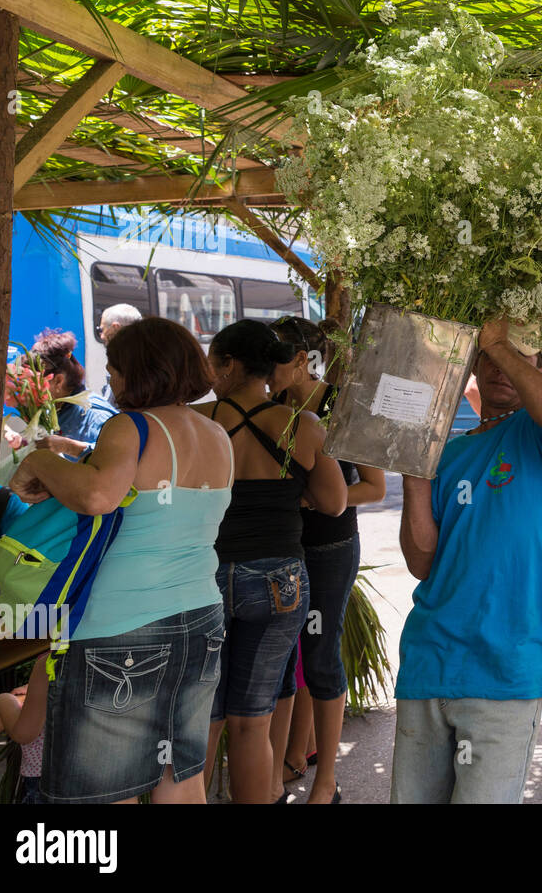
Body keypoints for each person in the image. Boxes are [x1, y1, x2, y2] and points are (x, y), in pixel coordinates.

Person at [7, 317, 235, 803]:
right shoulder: (216, 434)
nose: (110, 380)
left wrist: (41, 461)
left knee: (108, 789)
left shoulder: (130, 426)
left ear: (140, 371)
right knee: (179, 775)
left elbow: (97, 496)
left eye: (115, 369)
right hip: (201, 618)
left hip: (122, 628)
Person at [392, 318, 542, 804]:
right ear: (474, 365)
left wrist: (498, 343)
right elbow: (423, 563)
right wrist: (416, 474)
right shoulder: (452, 452)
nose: (503, 366)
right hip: (429, 658)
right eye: (493, 357)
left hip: (506, 667)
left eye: (520, 357)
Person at [193, 319, 348, 804]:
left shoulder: (197, 422)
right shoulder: (302, 426)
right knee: (252, 723)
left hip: (206, 576)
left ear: (229, 364)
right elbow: (335, 503)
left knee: (206, 721)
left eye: (212, 361)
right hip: (279, 579)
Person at [268, 315, 386, 804]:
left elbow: (375, 488)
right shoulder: (269, 407)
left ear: (301, 361)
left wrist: (315, 500)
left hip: (330, 549)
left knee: (319, 656)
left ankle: (325, 780)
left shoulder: (344, 407)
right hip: (279, 549)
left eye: (273, 359)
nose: (263, 368)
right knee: (278, 660)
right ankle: (277, 769)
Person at [28, 329, 116, 458]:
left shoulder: (95, 415)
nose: (30, 390)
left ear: (58, 381)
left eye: (34, 383)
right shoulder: (53, 409)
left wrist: (69, 447)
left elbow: (119, 456)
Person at [0, 652, 51, 804]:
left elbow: (23, 733)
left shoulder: (51, 663)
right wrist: (34, 687)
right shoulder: (111, 655)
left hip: (46, 782)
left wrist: (3, 701)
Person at [96, 304, 142, 409]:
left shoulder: (124, 364)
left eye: (101, 330)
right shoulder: (140, 357)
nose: (102, 336)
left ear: (116, 327)